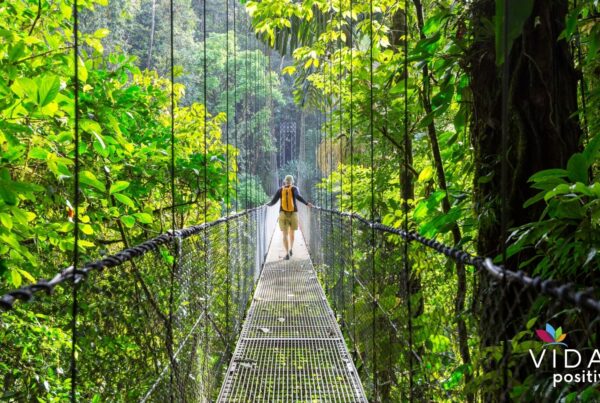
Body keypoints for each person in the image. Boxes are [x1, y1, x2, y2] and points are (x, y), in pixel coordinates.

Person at [266, 175, 313, 260]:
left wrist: (267, 205)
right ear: (292, 181)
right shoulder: (294, 188)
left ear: (284, 181)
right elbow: (298, 197)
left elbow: (274, 201)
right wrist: (306, 203)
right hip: (293, 213)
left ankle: (287, 253)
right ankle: (291, 249)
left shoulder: (280, 190)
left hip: (283, 213)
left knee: (284, 234)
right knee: (292, 233)